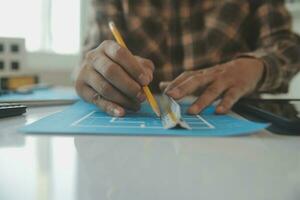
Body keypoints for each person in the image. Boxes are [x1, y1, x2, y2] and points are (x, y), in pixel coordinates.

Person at [75, 0, 300, 117]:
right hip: (133, 143)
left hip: (241, 131)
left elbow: (288, 46)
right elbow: (93, 59)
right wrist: (94, 73)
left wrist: (256, 67)